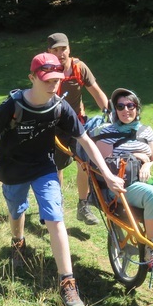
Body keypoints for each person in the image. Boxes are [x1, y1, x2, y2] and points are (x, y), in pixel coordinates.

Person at [0, 52, 125, 306]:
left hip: (44, 167)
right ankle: (18, 242)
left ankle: (67, 283)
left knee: (55, 217)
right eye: (46, 79)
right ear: (32, 78)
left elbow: (85, 141)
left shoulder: (59, 106)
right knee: (17, 210)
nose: (52, 85)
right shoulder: (12, 106)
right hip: (12, 168)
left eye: (56, 79)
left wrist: (108, 174)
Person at [94, 88, 153, 270]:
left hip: (147, 178)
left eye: (130, 105)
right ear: (115, 110)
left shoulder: (146, 131)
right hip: (123, 185)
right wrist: (136, 156)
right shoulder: (106, 133)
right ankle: (150, 248)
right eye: (120, 106)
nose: (125, 110)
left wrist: (147, 164)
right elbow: (105, 165)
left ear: (137, 108)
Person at [46, 32, 110, 226]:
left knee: (85, 163)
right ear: (48, 52)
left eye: (63, 48)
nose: (60, 53)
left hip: (76, 123)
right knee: (55, 166)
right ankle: (56, 204)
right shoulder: (46, 70)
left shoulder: (79, 68)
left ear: (69, 48)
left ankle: (83, 206)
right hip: (53, 125)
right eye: (55, 50)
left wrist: (110, 114)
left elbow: (96, 92)